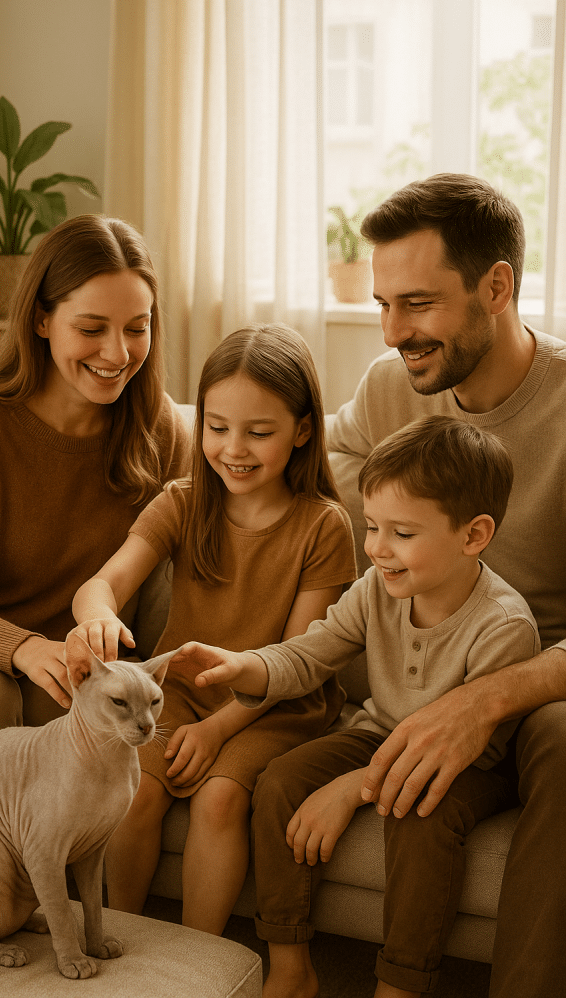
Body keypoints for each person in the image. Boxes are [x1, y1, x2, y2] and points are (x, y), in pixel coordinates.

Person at [175, 414, 540, 998]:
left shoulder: (502, 625)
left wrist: (353, 789)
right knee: (276, 783)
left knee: (419, 817)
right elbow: (312, 653)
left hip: (470, 763)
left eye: (402, 533)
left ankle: (400, 985)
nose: (377, 549)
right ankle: (291, 966)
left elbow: (480, 744)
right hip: (380, 732)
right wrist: (247, 665)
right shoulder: (376, 587)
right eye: (371, 527)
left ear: (473, 536)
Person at [0, 214, 190, 870]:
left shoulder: (159, 429)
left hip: (56, 659)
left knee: (74, 719)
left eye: (137, 327)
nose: (117, 353)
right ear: (42, 320)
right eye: (91, 328)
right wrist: (23, 648)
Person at [324, 174, 566, 998]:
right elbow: (330, 467)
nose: (393, 332)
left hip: (541, 674)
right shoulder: (391, 391)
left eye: (417, 304)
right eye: (384, 304)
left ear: (495, 287)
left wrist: (489, 697)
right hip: (418, 650)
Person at [70, 323, 357, 936]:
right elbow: (103, 584)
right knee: (137, 790)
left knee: (220, 797)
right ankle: (118, 935)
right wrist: (97, 613)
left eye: (259, 432)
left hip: (276, 702)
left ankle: (197, 960)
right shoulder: (180, 501)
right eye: (217, 427)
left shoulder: (324, 526)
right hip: (180, 693)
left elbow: (298, 658)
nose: (234, 448)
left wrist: (217, 728)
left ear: (303, 430)